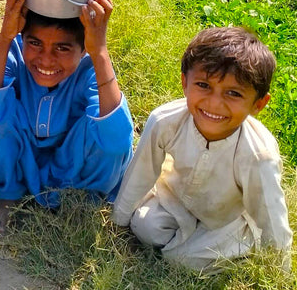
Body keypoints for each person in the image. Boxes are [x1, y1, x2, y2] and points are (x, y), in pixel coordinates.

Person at [112, 27, 292, 272]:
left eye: (233, 93)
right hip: (175, 199)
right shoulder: (165, 121)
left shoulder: (258, 156)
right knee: (145, 228)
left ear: (258, 104)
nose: (214, 103)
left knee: (183, 261)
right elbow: (141, 171)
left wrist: (279, 269)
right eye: (203, 85)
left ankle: (244, 240)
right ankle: (186, 240)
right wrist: (118, 220)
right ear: (185, 82)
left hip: (225, 220)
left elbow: (271, 214)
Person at [0, 0, 133, 232]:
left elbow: (118, 141)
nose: (46, 60)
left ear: (83, 48)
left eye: (62, 48)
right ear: (23, 38)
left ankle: (75, 202)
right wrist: (5, 36)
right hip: (19, 158)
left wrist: (100, 52)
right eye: (35, 43)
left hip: (70, 166)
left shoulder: (90, 69)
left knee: (109, 126)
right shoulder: (13, 53)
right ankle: (9, 194)